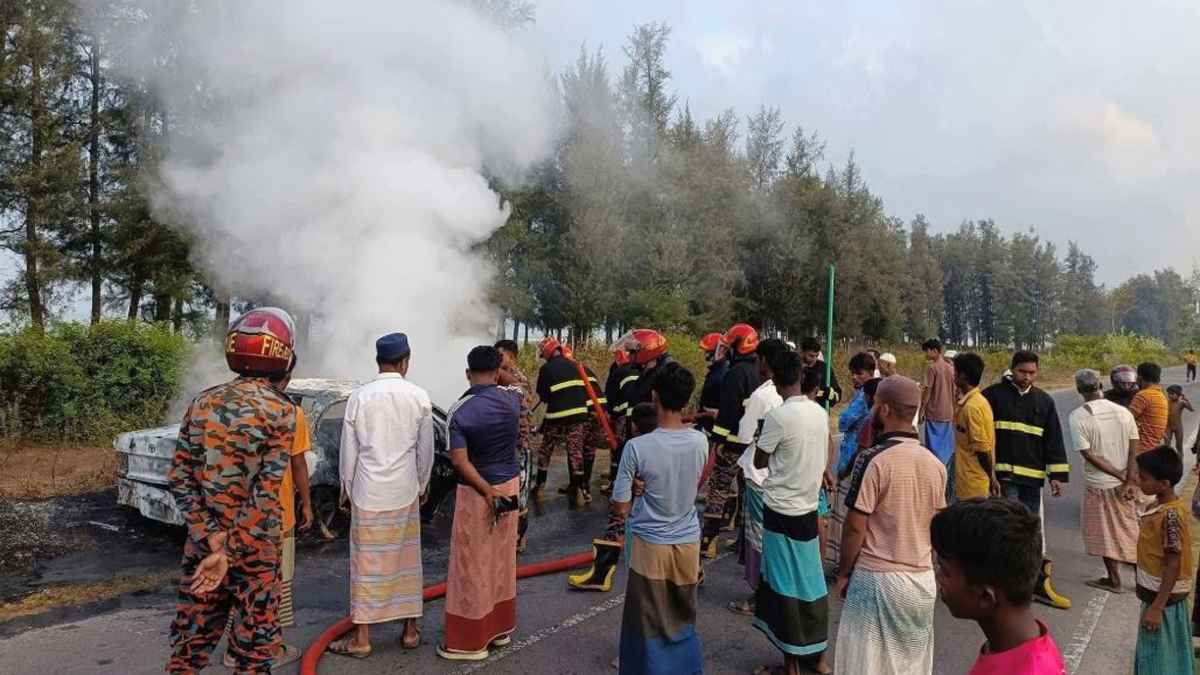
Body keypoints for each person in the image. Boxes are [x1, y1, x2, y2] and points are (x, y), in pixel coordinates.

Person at [167, 308, 300, 674]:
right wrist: (232, 549)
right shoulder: (281, 411)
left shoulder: (202, 403)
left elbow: (179, 477)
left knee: (188, 651)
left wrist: (213, 540)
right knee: (253, 657)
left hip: (203, 552)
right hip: (254, 554)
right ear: (283, 356)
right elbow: (266, 492)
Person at [329, 333, 434, 658]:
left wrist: (346, 488)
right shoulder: (419, 397)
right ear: (405, 361)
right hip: (403, 492)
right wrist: (422, 484)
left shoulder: (360, 397)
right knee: (407, 561)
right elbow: (425, 450)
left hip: (368, 492)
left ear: (378, 361)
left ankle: (362, 638)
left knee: (367, 564)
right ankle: (410, 631)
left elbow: (350, 451)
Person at [833, 375, 946, 675]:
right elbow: (938, 526)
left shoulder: (872, 459)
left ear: (882, 410)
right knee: (910, 664)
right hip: (921, 581)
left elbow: (856, 526)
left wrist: (843, 573)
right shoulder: (935, 464)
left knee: (865, 663)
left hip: (876, 580)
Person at [612, 362, 707, 675]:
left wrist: (639, 490)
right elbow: (693, 482)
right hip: (688, 540)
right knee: (682, 612)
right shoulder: (700, 441)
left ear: (654, 396)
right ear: (686, 400)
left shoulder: (637, 447)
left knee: (648, 619)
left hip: (650, 544)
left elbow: (620, 507)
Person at [221, 356, 310, 669]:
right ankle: (270, 649)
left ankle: (234, 649)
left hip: (233, 514)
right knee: (275, 584)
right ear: (286, 377)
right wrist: (307, 505)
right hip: (275, 514)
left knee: (238, 581)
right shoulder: (291, 412)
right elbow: (298, 465)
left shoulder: (226, 410)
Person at [436, 346, 524, 661]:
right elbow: (512, 381)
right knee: (501, 558)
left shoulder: (460, 410)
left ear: (467, 372)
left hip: (477, 492)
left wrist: (486, 491)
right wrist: (499, 370)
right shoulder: (514, 399)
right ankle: (499, 629)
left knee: (471, 563)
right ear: (498, 369)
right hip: (510, 486)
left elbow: (460, 462)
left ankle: (468, 642)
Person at [751, 355, 833, 675]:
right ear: (801, 376)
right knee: (810, 581)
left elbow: (759, 461)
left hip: (781, 509)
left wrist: (763, 440)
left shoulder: (778, 417)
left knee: (783, 585)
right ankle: (818, 658)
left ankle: (791, 664)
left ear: (773, 378)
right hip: (809, 506)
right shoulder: (818, 412)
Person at [930, 499, 1066, 675]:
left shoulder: (1027, 668)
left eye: (944, 571)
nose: (937, 576)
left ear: (985, 597)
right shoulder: (1011, 643)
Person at [982, 351, 1071, 610]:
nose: (1027, 376)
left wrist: (1057, 476)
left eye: (1032, 372)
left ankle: (1035, 582)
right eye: (1022, 372)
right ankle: (1005, 583)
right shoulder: (993, 396)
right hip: (1003, 477)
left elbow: (1053, 439)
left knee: (1031, 529)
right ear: (1013, 370)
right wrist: (988, 474)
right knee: (1008, 529)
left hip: (1032, 479)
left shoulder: (1044, 401)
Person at [568, 402, 658, 592]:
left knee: (616, 520)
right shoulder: (679, 442)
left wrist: (620, 503)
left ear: (634, 425)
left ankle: (601, 575)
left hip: (642, 501)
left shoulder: (633, 446)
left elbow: (621, 488)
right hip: (670, 510)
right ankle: (694, 569)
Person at [727, 338, 788, 615]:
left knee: (758, 538)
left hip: (758, 475)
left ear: (764, 361)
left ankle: (760, 596)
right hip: (781, 477)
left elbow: (743, 433)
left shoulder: (763, 396)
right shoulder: (788, 394)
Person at [1068, 368, 1139, 594]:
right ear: (1100, 385)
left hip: (1098, 484)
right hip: (1124, 484)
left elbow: (1088, 454)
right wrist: (1128, 478)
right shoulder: (1123, 412)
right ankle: (1141, 580)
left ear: (1079, 389)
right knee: (1130, 530)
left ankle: (1115, 580)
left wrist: (1119, 475)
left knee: (1102, 533)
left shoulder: (1077, 416)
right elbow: (1134, 446)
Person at [702, 323, 762, 558]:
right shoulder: (759, 370)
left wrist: (718, 440)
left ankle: (708, 540)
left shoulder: (735, 373)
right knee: (749, 491)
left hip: (732, 444)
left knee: (718, 489)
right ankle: (744, 541)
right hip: (753, 444)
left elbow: (727, 412)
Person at [1133, 445, 1194, 673]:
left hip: (1164, 600)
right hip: (1156, 595)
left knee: (1159, 657)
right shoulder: (1159, 506)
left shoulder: (1170, 517)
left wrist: (1157, 607)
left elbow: (1173, 563)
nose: (1139, 481)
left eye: (1144, 478)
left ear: (1164, 483)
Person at [826, 352, 875, 571]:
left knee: (847, 515)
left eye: (860, 373)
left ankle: (844, 565)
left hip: (853, 458)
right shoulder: (866, 393)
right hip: (852, 454)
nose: (855, 378)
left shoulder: (866, 396)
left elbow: (844, 421)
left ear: (870, 373)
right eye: (853, 373)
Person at [534, 337, 595, 506]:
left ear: (546, 352)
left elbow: (543, 395)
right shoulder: (575, 365)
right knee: (576, 452)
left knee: (546, 449)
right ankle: (581, 490)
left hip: (557, 416)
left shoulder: (546, 368)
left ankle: (539, 486)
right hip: (579, 416)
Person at [495, 339, 536, 553]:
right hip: (504, 447)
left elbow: (522, 410)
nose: (498, 360)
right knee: (506, 492)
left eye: (500, 356)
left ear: (512, 356)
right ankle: (507, 534)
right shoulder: (497, 379)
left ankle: (519, 537)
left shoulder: (518, 380)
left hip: (518, 446)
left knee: (519, 493)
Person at [951, 353, 998, 501]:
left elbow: (982, 449)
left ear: (963, 376)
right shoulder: (976, 402)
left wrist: (991, 478)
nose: (953, 376)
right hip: (970, 482)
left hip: (972, 486)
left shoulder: (972, 407)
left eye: (955, 373)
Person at [601, 348, 639, 494]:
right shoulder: (639, 370)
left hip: (623, 417)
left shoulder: (617, 373)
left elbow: (610, 397)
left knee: (619, 449)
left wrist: (611, 415)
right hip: (640, 415)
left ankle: (615, 484)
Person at [920, 338, 956, 466]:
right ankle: (945, 470)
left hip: (934, 413)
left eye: (927, 351)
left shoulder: (932, 368)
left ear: (935, 351)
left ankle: (935, 472)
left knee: (933, 449)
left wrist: (921, 411)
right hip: (948, 413)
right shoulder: (951, 368)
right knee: (946, 448)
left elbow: (927, 391)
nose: (926, 354)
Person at [1129, 362, 1168, 455]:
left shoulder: (1143, 395)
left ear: (1139, 378)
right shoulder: (1161, 395)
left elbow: (1126, 419)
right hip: (1154, 448)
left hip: (1141, 450)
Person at [799, 337, 842, 410]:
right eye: (811, 356)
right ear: (802, 352)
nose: (814, 359)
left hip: (819, 413)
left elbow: (838, 395)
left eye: (817, 355)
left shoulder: (825, 369)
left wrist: (831, 395)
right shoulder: (794, 367)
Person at [1165, 385, 1193, 454]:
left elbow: (1191, 409)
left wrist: (1186, 400)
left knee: (1179, 446)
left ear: (1178, 394)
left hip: (1178, 427)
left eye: (1172, 394)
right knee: (1167, 445)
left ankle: (1180, 461)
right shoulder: (1166, 402)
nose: (1170, 396)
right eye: (1169, 394)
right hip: (1168, 427)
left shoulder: (1181, 403)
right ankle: (1167, 461)